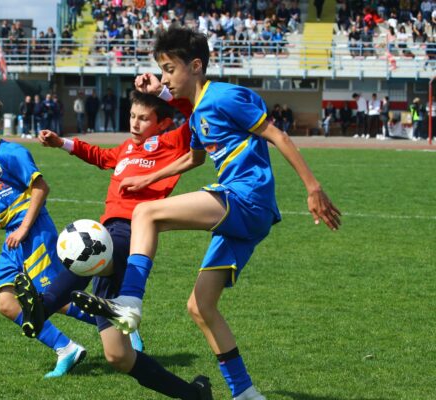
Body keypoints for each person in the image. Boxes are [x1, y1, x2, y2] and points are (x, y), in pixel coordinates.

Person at [70, 27, 341, 400]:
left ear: (196, 66)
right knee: (200, 306)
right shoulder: (198, 115)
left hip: (247, 198)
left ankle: (129, 302)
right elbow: (192, 159)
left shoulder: (226, 96)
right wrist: (150, 175)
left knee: (147, 214)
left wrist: (313, 187)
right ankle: (245, 393)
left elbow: (277, 135)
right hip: (243, 217)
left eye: (169, 69)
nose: (165, 78)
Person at [15, 89, 213, 400]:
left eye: (144, 118)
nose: (135, 123)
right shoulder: (126, 149)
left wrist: (162, 91)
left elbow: (196, 113)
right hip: (112, 235)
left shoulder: (170, 142)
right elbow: (100, 156)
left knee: (87, 251)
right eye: (132, 116)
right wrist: (62, 143)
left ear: (162, 123)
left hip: (133, 231)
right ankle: (192, 394)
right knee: (117, 356)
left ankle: (44, 306)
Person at [0, 96, 94, 378]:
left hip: (34, 231)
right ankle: (66, 348)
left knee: (54, 297)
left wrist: (25, 228)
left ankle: (112, 320)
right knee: (6, 303)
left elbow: (41, 189)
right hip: (13, 241)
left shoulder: (12, 153)